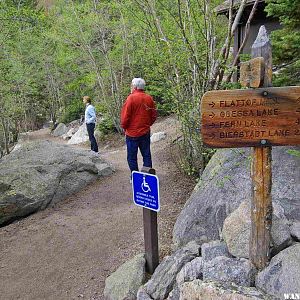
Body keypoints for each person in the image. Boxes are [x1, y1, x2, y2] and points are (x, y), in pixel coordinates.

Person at [120, 78, 157, 176]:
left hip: (132, 134)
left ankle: (135, 177)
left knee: (132, 157)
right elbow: (153, 115)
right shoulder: (149, 98)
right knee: (146, 154)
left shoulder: (131, 98)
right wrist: (147, 124)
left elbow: (125, 117)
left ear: (135, 87)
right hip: (145, 132)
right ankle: (147, 176)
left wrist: (124, 127)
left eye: (131, 85)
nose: (131, 87)